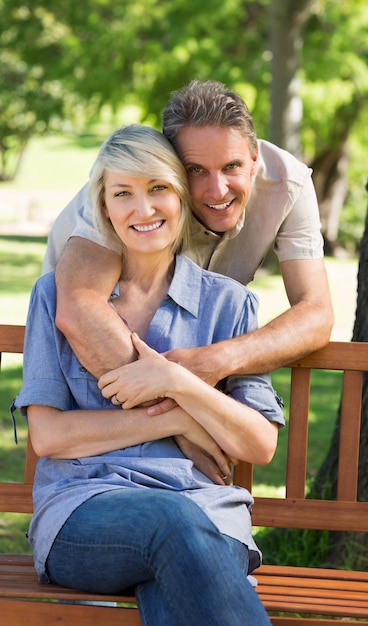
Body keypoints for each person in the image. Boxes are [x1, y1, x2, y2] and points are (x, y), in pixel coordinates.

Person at [15, 124, 284, 625]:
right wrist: (174, 420)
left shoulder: (228, 303)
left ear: (181, 196)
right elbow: (49, 436)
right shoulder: (53, 295)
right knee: (173, 523)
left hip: (208, 512)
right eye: (124, 194)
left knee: (172, 583)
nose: (143, 210)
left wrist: (176, 380)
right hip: (84, 510)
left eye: (158, 188)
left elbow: (259, 445)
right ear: (103, 206)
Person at [42, 80, 333, 393]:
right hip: (91, 362)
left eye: (231, 166)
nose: (218, 190)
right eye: (196, 170)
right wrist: (181, 403)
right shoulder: (122, 194)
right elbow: (78, 308)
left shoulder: (288, 183)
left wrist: (216, 360)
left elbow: (316, 314)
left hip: (190, 366)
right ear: (171, 169)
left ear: (253, 159)